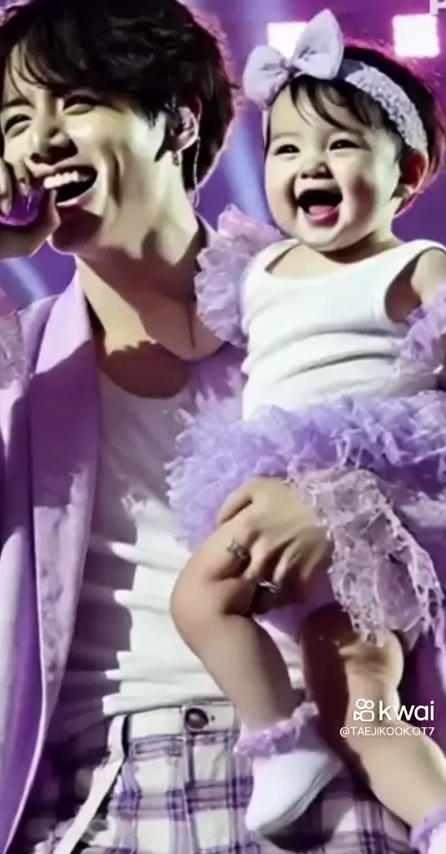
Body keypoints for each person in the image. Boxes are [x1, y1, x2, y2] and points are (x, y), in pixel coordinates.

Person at [0, 1, 434, 853]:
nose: (41, 140)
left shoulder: (328, 312)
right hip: (106, 796)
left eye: (76, 102)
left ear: (177, 121)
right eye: (16, 121)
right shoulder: (3, 375)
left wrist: (352, 510)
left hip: (348, 773)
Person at [161, 9, 446, 853]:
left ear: (407, 173)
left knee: (219, 603)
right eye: (286, 148)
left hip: (367, 503)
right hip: (269, 494)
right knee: (338, 677)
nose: (309, 164)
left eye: (341, 145)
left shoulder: (414, 266)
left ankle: (336, 770)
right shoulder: (253, 271)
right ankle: (300, 749)